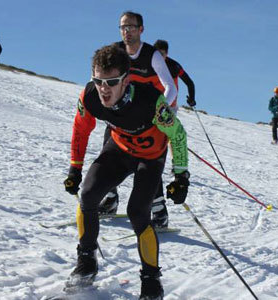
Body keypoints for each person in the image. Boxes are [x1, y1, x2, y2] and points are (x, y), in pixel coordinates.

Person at [63, 45, 189, 299]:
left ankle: (152, 282)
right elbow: (81, 128)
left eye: (111, 82)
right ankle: (86, 261)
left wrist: (181, 176)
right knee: (88, 196)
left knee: (137, 212)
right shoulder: (89, 96)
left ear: (126, 80)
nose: (103, 88)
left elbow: (177, 134)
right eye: (98, 80)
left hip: (150, 157)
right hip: (119, 149)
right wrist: (75, 169)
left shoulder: (151, 101)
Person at [98, 11, 179, 230]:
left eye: (131, 27)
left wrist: (161, 108)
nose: (127, 31)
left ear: (141, 29)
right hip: (122, 113)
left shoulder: (151, 55)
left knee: (148, 161)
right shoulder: (115, 51)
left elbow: (170, 85)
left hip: (148, 113)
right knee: (108, 155)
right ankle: (110, 199)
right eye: (123, 27)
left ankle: (159, 211)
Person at [153, 39, 196, 108]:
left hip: (170, 105)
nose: (159, 58)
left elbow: (189, 82)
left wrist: (191, 98)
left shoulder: (174, 67)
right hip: (152, 102)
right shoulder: (148, 64)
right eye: (157, 54)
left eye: (162, 54)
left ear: (166, 54)